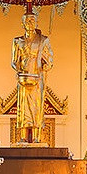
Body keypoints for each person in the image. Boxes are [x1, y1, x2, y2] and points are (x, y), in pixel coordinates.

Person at [11, 12, 53, 143]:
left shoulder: (43, 40)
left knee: (36, 107)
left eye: (32, 21)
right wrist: (18, 69)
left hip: (37, 77)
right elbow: (13, 61)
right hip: (24, 77)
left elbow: (49, 58)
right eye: (27, 21)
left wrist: (47, 65)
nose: (30, 23)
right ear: (22, 24)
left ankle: (37, 137)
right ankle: (23, 137)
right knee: (23, 108)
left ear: (37, 23)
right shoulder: (18, 41)